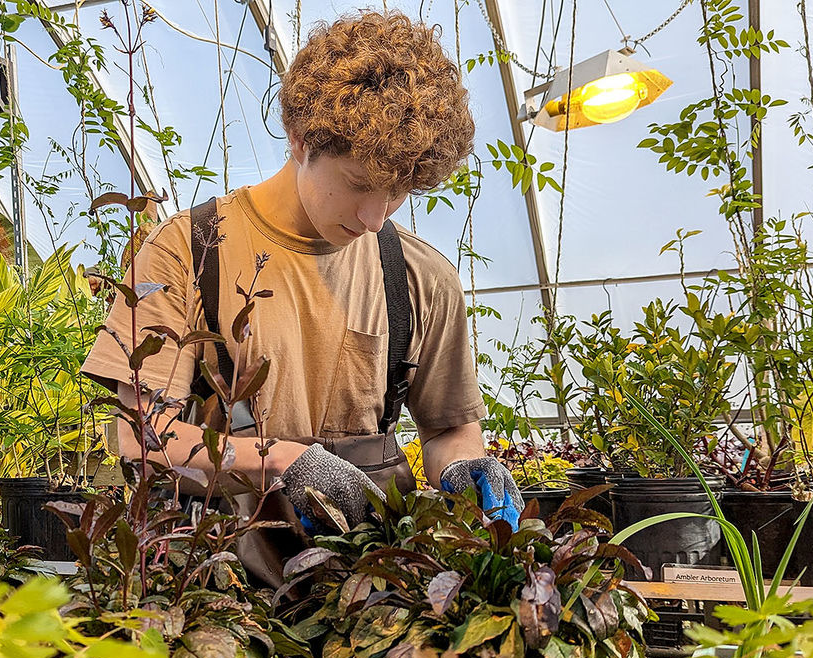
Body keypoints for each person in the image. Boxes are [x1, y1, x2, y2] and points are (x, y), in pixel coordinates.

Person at [82, 10, 522, 587]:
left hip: (380, 590)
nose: (373, 217)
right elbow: (144, 437)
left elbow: (447, 429)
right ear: (300, 137)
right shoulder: (187, 252)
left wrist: (467, 467)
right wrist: (283, 460)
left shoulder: (419, 276)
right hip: (225, 586)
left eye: (398, 193)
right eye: (361, 184)